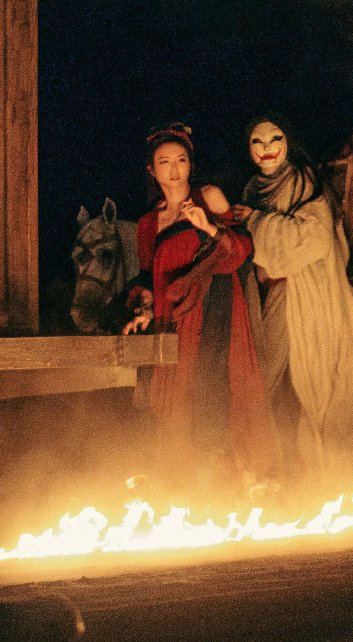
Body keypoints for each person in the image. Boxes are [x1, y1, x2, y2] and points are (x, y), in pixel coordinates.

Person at [233, 114, 353, 495]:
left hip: (314, 296)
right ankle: (267, 475)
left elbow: (316, 237)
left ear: (288, 142)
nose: (267, 148)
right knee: (266, 381)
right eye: (257, 141)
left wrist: (258, 222)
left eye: (275, 138)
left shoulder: (306, 183)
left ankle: (352, 474)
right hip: (275, 297)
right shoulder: (252, 190)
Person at [123, 123, 280, 504]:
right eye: (164, 162)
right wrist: (144, 309)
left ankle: (239, 484)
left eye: (181, 160)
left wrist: (208, 226)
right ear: (151, 170)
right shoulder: (148, 222)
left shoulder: (209, 197)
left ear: (190, 164)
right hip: (172, 319)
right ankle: (186, 490)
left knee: (219, 386)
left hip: (216, 309)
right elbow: (148, 274)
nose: (174, 169)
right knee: (177, 398)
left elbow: (241, 250)